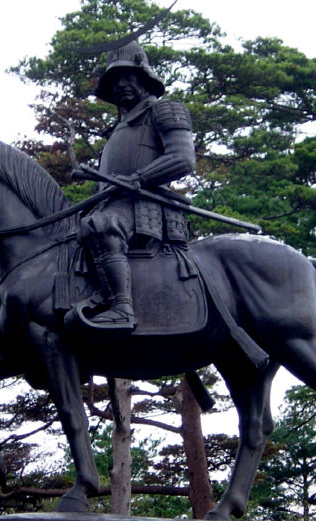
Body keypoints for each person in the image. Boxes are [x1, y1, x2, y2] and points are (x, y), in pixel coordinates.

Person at [77, 40, 196, 330]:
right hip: (113, 204)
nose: (121, 85)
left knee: (101, 226)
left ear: (144, 77)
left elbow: (182, 159)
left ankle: (121, 308)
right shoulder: (117, 130)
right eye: (114, 81)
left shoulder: (164, 110)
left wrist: (138, 179)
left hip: (146, 204)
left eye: (128, 76)